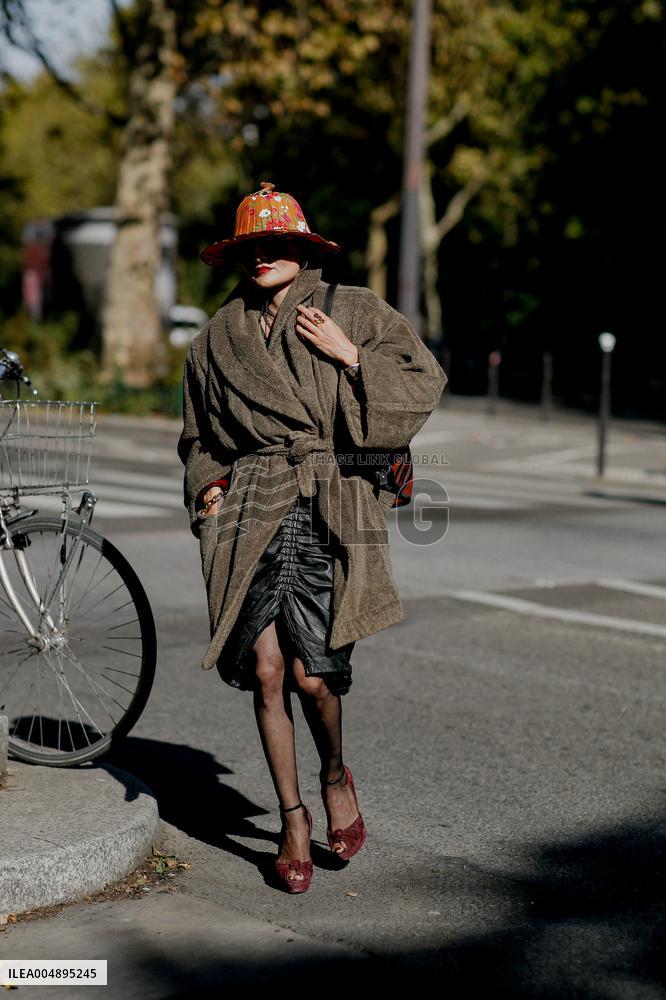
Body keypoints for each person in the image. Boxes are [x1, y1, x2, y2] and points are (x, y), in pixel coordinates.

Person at [177, 181, 447, 893]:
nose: (263, 255)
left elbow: (424, 379)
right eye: (249, 246)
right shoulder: (213, 341)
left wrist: (353, 356)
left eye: (276, 243)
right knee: (267, 672)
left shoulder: (352, 308)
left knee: (313, 675)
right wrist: (207, 486)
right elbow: (198, 439)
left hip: (329, 500)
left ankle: (333, 774)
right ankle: (292, 819)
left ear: (300, 247)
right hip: (250, 509)